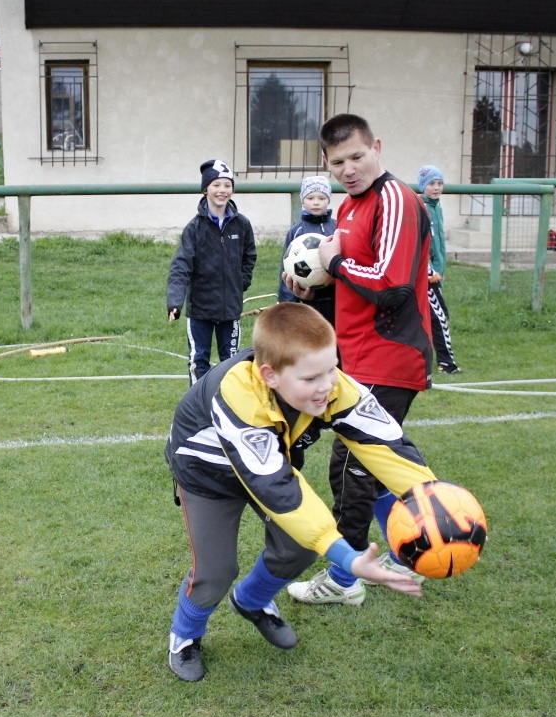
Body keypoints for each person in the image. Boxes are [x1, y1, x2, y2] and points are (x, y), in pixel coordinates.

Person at [165, 302, 435, 681]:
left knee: (300, 546)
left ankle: (252, 602)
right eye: (311, 378)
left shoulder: (328, 384)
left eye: (331, 368)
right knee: (216, 571)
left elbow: (384, 441)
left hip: (270, 463)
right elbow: (276, 487)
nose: (327, 385)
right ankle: (185, 636)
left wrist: (430, 497)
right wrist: (348, 558)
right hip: (210, 478)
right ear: (269, 375)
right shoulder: (238, 394)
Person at [283, 113, 434, 608]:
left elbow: (390, 287)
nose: (348, 169)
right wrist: (312, 285)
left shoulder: (395, 199)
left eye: (357, 156)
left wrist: (335, 263)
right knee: (373, 466)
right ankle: (400, 549)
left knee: (353, 468)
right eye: (337, 161)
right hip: (358, 358)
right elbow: (353, 281)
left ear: (377, 148)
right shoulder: (351, 206)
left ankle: (344, 580)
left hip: (389, 356)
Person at [167, 159, 257, 384]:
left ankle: (231, 406)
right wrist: (175, 302)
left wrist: (240, 283)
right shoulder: (194, 228)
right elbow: (181, 266)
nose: (222, 190)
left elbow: (249, 257)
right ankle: (198, 409)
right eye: (216, 185)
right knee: (199, 361)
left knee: (232, 362)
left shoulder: (242, 225)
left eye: (227, 185)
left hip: (230, 310)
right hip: (201, 311)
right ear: (206, 188)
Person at [418, 165, 462, 375]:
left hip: (436, 273)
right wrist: (428, 271)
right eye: (431, 184)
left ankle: (425, 360)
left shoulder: (437, 208)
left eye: (439, 183)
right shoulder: (421, 208)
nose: (436, 188)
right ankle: (447, 364)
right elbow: (420, 244)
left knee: (433, 316)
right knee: (440, 316)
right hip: (427, 276)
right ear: (423, 186)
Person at [277, 175, 337, 327]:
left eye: (322, 198)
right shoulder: (296, 231)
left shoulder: (337, 228)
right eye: (310, 198)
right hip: (305, 300)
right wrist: (285, 302)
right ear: (302, 200)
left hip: (334, 299)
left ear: (328, 200)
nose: (316, 202)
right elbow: (286, 269)